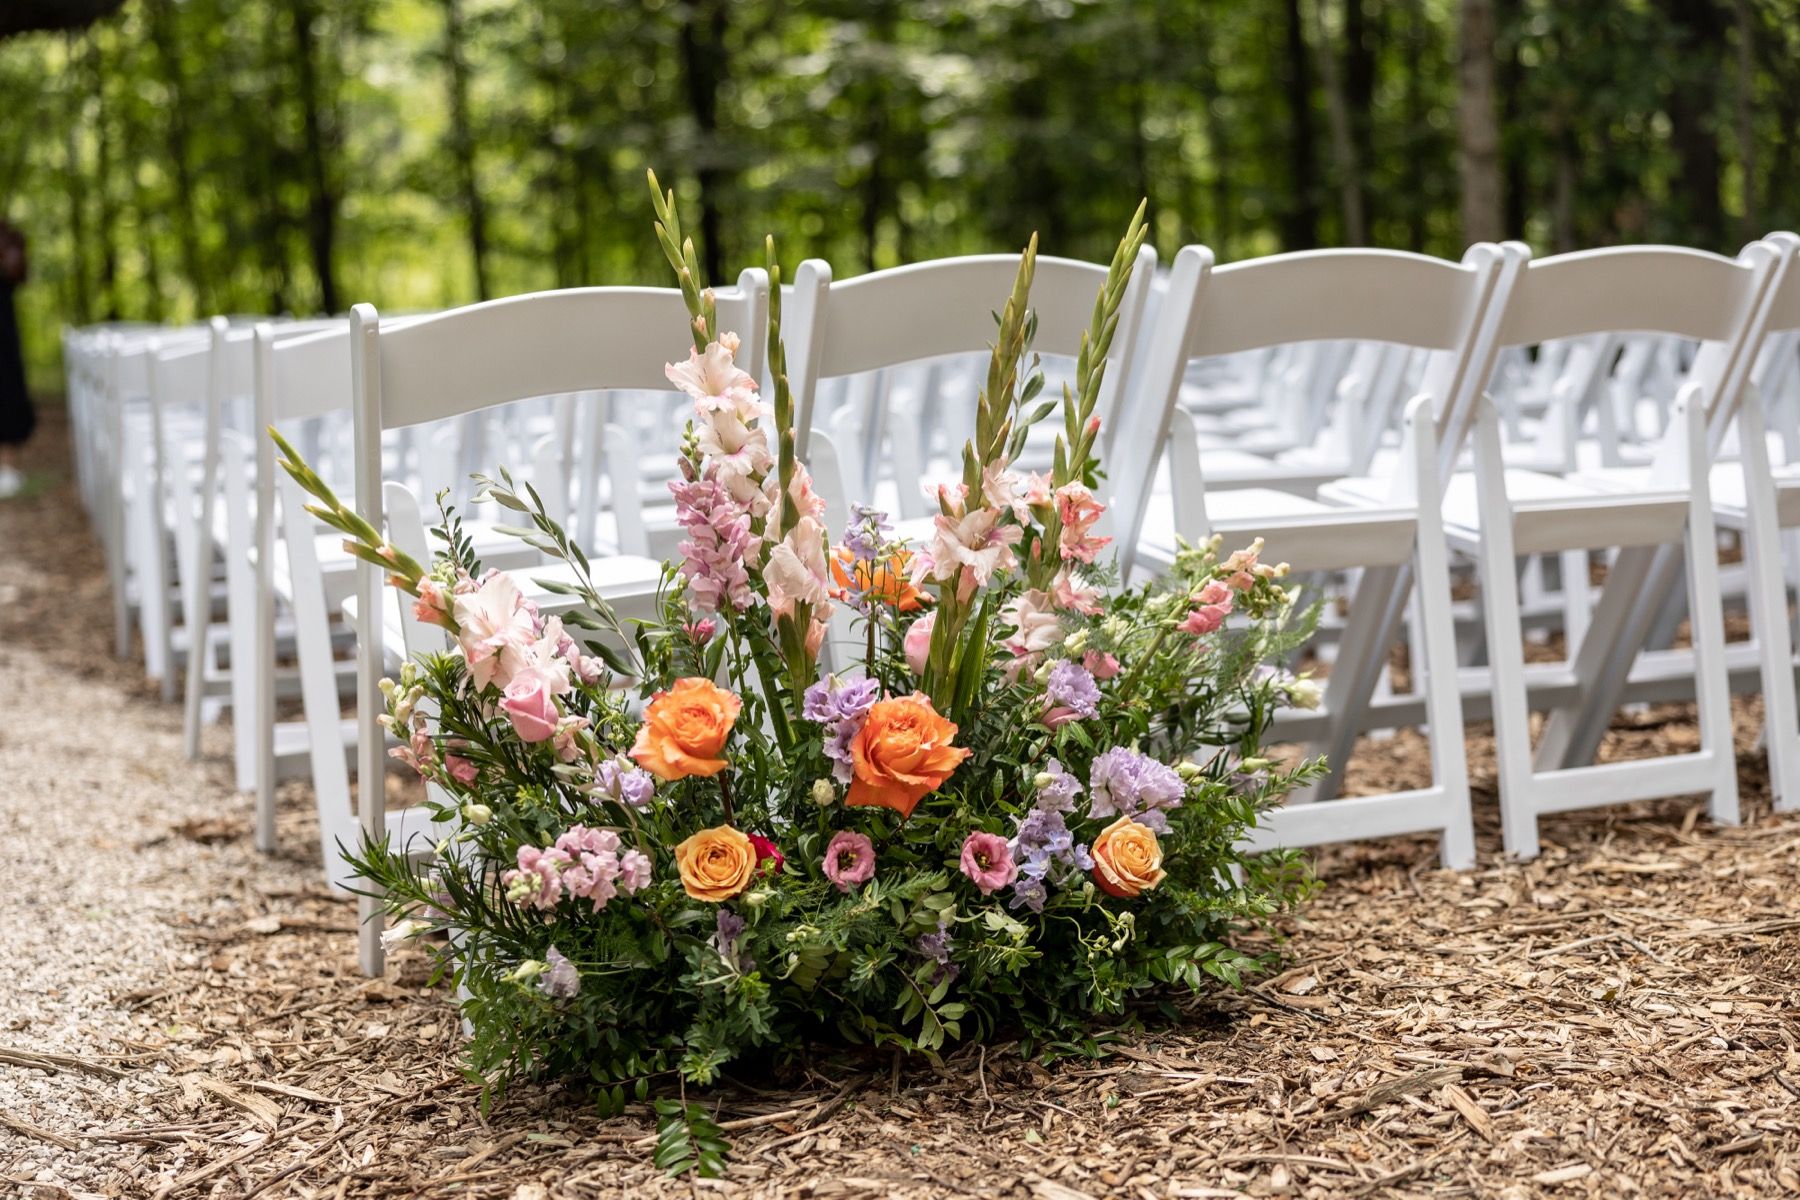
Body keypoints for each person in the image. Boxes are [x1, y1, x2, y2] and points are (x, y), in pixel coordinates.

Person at [0, 220, 33, 498]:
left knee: (8, 394)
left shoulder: (9, 236)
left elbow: (19, 275)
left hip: (3, 335)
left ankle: (9, 467)